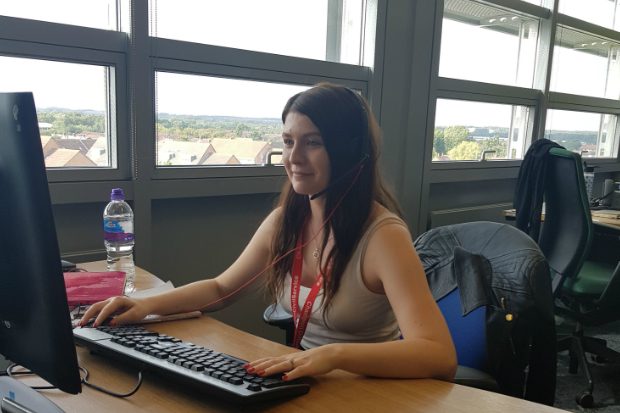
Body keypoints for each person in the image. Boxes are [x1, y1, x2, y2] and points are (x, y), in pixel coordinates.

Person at [80, 82, 457, 382]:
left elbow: (438, 354)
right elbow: (222, 289)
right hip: (310, 380)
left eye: (313, 143)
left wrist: (333, 355)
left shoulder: (383, 235)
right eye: (289, 141)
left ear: (348, 150)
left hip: (368, 387)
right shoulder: (286, 221)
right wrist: (144, 307)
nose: (294, 158)